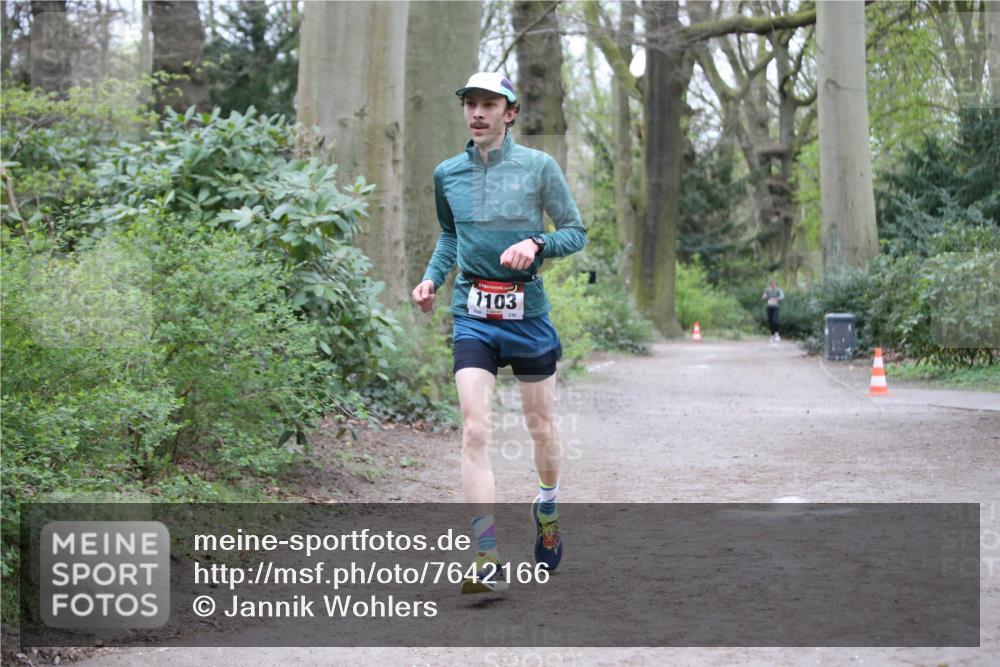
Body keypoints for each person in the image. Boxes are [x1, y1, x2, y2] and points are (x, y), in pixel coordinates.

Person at [410, 72, 586, 594]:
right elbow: (449, 235)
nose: (478, 113)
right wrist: (430, 278)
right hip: (473, 312)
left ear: (510, 112)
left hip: (527, 314)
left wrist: (536, 243)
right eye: (470, 104)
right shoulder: (447, 174)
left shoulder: (538, 167)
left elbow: (574, 232)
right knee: (475, 429)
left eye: (489, 104)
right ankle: (486, 554)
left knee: (541, 428)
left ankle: (547, 510)